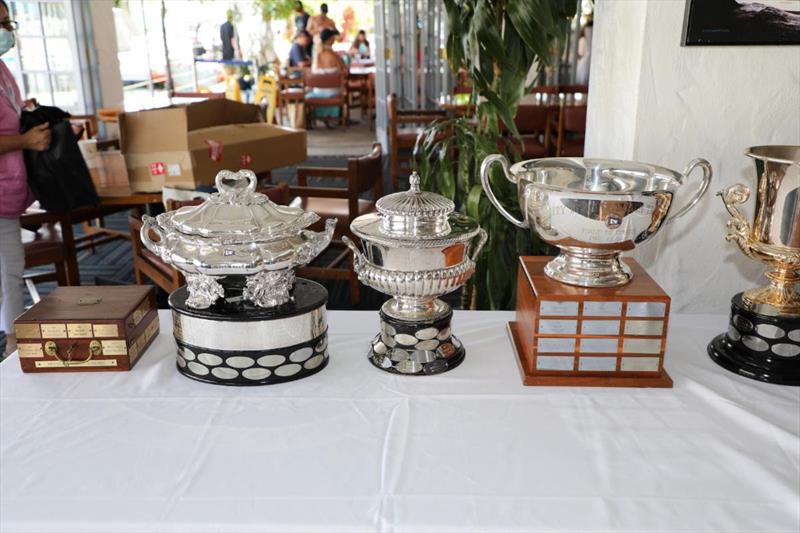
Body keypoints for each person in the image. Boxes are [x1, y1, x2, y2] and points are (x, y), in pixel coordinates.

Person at [0, 0, 51, 356]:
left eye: (7, 23)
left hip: (7, 190)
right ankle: (15, 348)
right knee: (7, 274)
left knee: (9, 272)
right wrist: (25, 140)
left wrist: (25, 114)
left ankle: (14, 345)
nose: (5, 32)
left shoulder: (3, 69)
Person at [306, 3, 337, 69]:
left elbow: (336, 33)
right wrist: (318, 29)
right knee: (317, 65)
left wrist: (329, 30)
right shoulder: (313, 19)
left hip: (328, 47)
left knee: (330, 66)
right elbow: (308, 30)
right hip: (318, 46)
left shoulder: (331, 22)